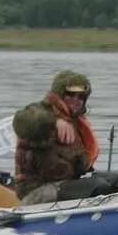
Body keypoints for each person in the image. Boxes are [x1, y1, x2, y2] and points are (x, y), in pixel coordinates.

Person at [12, 69, 99, 204]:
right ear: (59, 94)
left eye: (81, 96)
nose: (76, 99)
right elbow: (21, 121)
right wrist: (54, 122)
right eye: (71, 94)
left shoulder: (76, 123)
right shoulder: (40, 110)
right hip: (35, 192)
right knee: (94, 187)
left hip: (65, 185)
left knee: (114, 181)